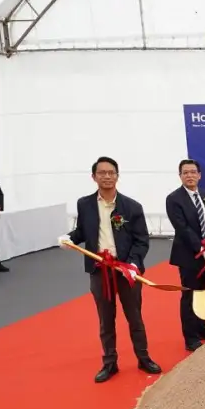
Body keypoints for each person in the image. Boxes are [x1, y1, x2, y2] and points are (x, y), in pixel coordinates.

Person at [60, 157, 161, 382]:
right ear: (94, 176)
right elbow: (82, 231)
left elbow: (141, 240)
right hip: (100, 269)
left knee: (135, 317)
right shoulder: (85, 204)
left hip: (126, 270)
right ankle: (109, 363)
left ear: (117, 176)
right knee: (106, 320)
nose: (107, 176)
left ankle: (143, 358)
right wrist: (69, 238)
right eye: (102, 173)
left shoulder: (132, 207)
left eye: (111, 172)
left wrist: (133, 263)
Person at [166, 159, 205, 352]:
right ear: (180, 176)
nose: (189, 175)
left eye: (193, 172)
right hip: (188, 255)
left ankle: (202, 328)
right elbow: (183, 229)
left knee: (204, 291)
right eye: (185, 172)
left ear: (199, 175)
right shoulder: (173, 199)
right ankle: (190, 337)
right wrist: (201, 250)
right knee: (189, 295)